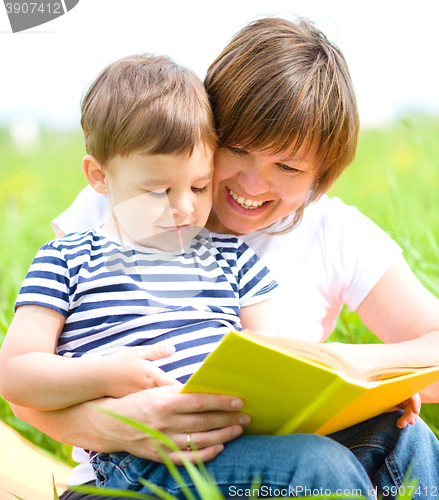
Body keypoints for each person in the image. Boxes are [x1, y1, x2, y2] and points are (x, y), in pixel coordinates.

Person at [8, 16, 439, 499]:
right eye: (237, 150)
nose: (252, 185)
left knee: (403, 438)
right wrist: (115, 414)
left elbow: (284, 353)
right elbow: (22, 376)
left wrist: (363, 374)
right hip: (131, 469)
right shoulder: (116, 210)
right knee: (317, 467)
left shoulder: (259, 250)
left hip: (251, 446)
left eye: (289, 167)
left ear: (321, 177)